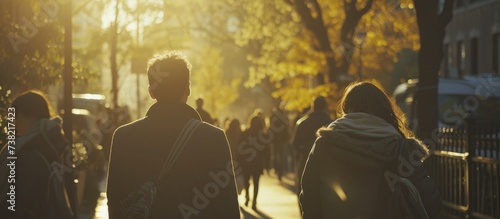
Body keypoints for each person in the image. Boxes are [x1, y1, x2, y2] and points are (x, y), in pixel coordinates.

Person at [106, 51, 240, 218]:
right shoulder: (213, 138)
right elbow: (227, 207)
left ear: (151, 92)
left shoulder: (123, 137)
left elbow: (115, 203)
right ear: (188, 89)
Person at [300, 82, 442, 218]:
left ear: (347, 109)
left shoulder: (324, 143)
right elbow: (431, 204)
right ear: (384, 109)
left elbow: (309, 199)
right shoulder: (399, 148)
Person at [0, 90, 75, 218]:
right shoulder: (50, 145)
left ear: (33, 116)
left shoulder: (27, 154)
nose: (13, 123)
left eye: (16, 117)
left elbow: (18, 205)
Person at [291, 96, 331, 196]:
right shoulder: (330, 124)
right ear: (324, 107)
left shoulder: (302, 122)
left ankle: (303, 211)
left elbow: (294, 144)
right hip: (324, 162)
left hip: (304, 159)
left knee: (302, 188)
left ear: (312, 106)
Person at [237, 115, 269, 210]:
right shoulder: (263, 135)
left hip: (246, 161)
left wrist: (239, 159)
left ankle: (247, 196)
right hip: (258, 162)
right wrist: (267, 163)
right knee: (256, 182)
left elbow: (239, 147)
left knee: (246, 180)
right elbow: (267, 150)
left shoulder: (245, 133)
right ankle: (254, 201)